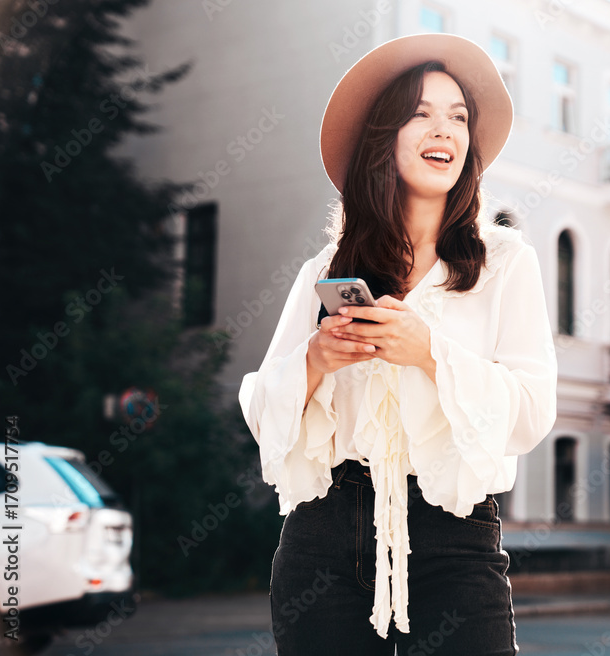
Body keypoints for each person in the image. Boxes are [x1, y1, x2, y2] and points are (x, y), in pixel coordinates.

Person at [237, 33, 558, 656]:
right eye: (422, 114)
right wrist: (315, 360)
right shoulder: (322, 271)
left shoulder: (506, 263)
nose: (446, 131)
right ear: (384, 138)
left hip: (452, 538)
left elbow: (530, 412)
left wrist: (428, 352)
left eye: (458, 117)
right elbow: (260, 413)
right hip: (322, 541)